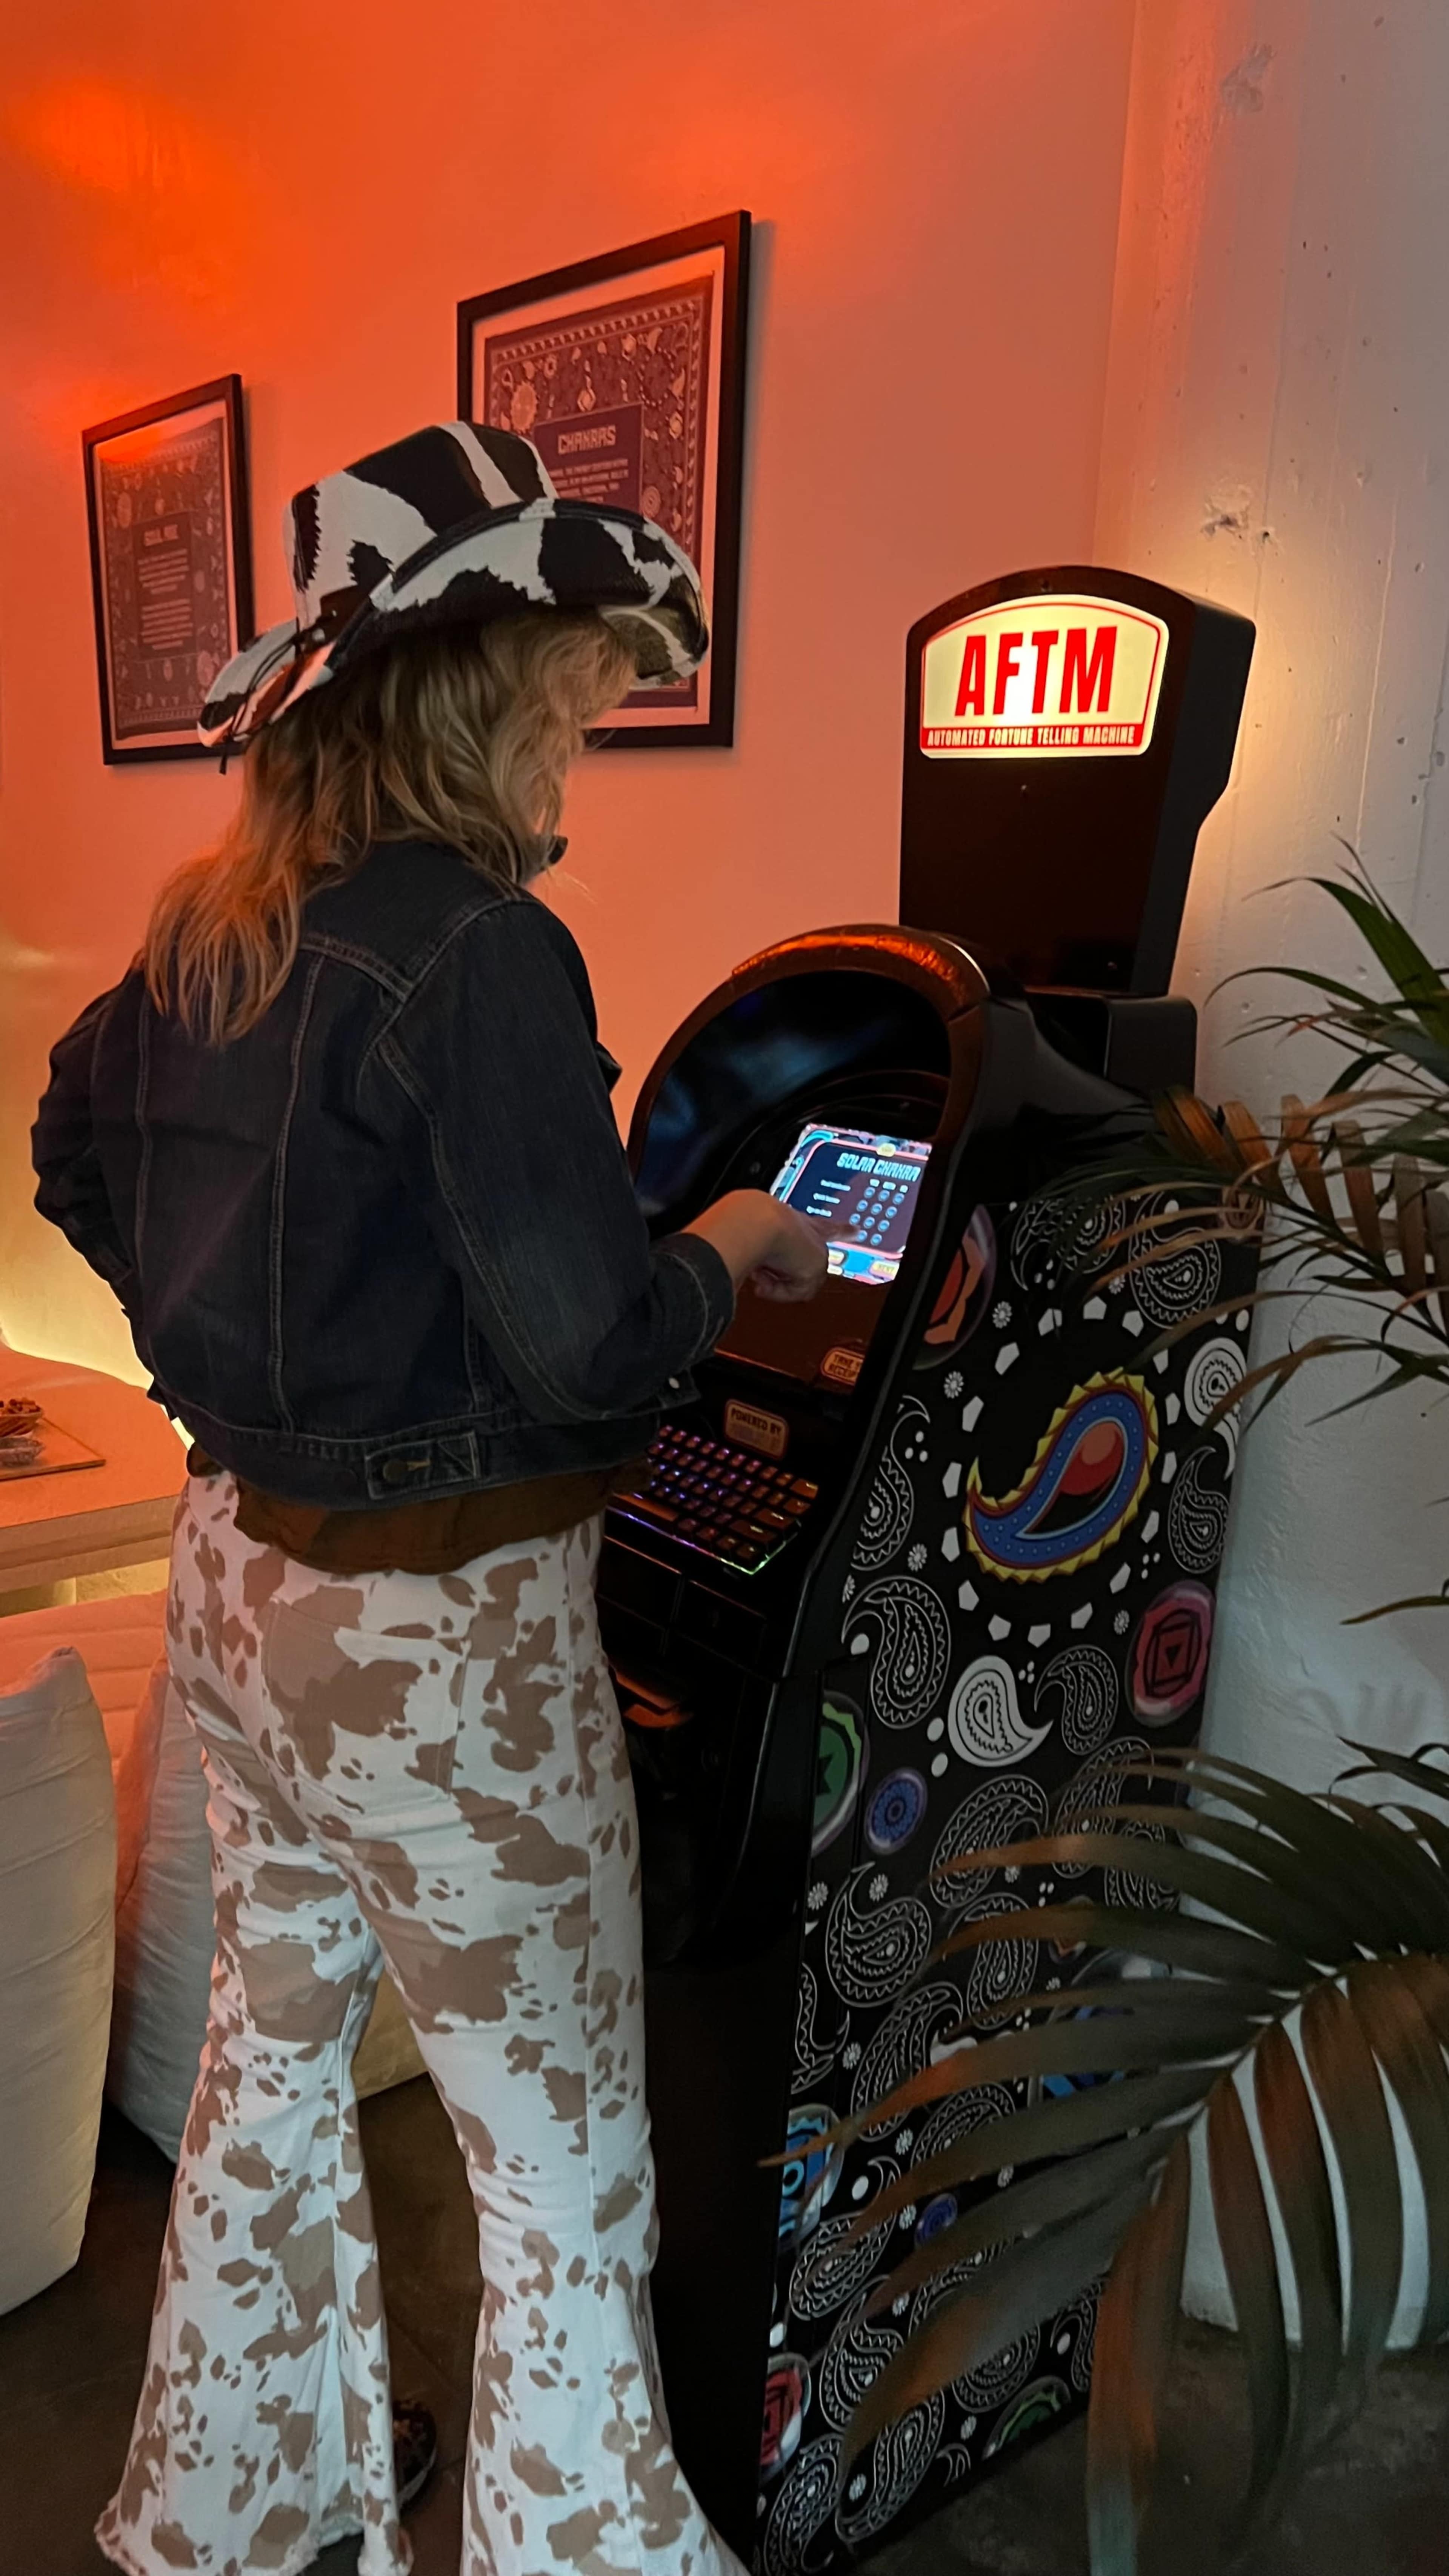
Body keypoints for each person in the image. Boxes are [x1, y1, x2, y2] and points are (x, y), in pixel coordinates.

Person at [33, 422, 828, 2576]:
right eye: (574, 684)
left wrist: (226, 1367)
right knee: (566, 2171)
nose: (586, 724)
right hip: (445, 1642)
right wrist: (736, 1255)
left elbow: (71, 1156)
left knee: (268, 2083)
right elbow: (587, 1343)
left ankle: (236, 2510)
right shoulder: (475, 950)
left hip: (244, 1588)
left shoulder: (217, 922)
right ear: (476, 686)